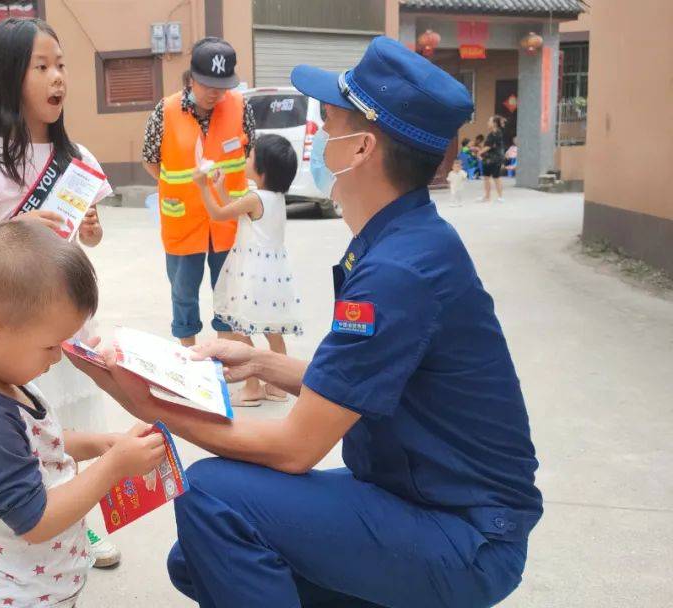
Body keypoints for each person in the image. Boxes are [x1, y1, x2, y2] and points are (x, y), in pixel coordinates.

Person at [72, 36, 542, 608]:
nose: (317, 139)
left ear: (362, 147)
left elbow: (296, 447)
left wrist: (150, 404)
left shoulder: (399, 269)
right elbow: (361, 379)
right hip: (426, 499)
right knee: (197, 558)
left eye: (331, 124)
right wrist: (262, 361)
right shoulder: (402, 240)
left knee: (213, 499)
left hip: (464, 532)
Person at [0, 16, 121, 567]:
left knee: (74, 419)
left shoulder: (80, 157)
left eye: (61, 66)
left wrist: (89, 232)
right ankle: (34, 510)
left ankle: (81, 522)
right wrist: (21, 227)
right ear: (8, 77)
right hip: (21, 326)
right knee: (29, 423)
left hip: (66, 321)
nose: (57, 79)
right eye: (41, 67)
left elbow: (84, 238)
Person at [0, 222, 166, 607]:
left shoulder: (3, 376)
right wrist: (113, 465)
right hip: (17, 598)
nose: (58, 357)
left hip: (41, 586)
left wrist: (99, 444)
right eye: (49, 346)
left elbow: (37, 442)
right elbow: (36, 521)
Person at [141, 37, 257, 347]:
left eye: (222, 86)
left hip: (227, 220)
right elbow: (151, 160)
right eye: (207, 84)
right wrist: (179, 186)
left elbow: (248, 157)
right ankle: (189, 360)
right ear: (192, 78)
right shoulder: (164, 111)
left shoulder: (241, 107)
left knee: (228, 291)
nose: (215, 93)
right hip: (183, 219)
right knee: (183, 294)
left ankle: (225, 354)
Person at [192, 134, 303, 406]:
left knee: (241, 332)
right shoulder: (274, 197)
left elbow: (220, 214)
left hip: (251, 275)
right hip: (274, 277)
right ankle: (278, 387)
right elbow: (239, 210)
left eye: (251, 156)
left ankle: (252, 388)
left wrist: (203, 186)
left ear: (262, 170)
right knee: (273, 334)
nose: (246, 158)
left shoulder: (255, 197)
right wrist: (221, 188)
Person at [478, 116, 507, 202]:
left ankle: (500, 197)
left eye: (489, 121)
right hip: (488, 159)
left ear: (494, 123)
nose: (488, 123)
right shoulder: (493, 133)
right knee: (487, 177)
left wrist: (480, 152)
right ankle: (488, 196)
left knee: (496, 177)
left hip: (494, 159)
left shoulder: (496, 133)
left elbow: (489, 146)